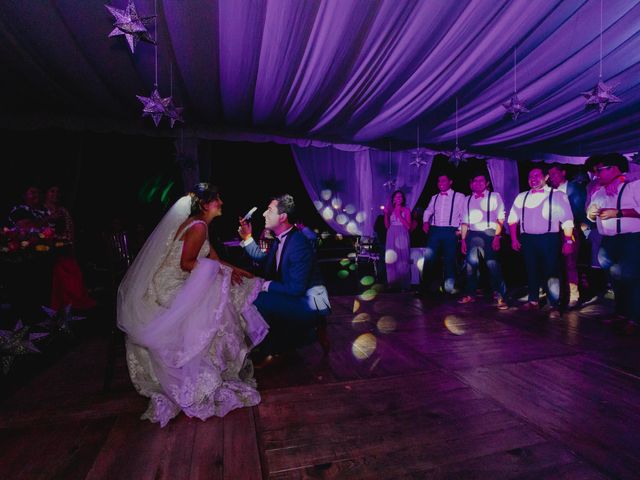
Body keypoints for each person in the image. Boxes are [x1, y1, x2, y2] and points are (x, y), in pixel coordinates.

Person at [117, 183, 269, 427]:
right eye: (217, 199)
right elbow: (186, 263)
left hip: (174, 279)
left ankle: (222, 358)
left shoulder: (200, 225)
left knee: (235, 286)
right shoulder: (198, 227)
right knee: (219, 303)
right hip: (170, 286)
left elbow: (214, 259)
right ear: (206, 204)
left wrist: (237, 271)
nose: (221, 202)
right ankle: (209, 369)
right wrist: (218, 272)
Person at [238, 194, 330, 359]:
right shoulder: (281, 238)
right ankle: (270, 345)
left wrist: (266, 285)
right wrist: (247, 238)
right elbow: (261, 257)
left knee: (258, 299)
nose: (264, 214)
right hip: (296, 294)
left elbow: (296, 289)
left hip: (309, 303)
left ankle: (270, 349)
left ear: (282, 217)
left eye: (269, 210)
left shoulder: (298, 244)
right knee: (249, 293)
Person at [508, 167, 574, 319]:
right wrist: (513, 238)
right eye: (530, 176)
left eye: (537, 175)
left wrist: (568, 240)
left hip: (549, 238)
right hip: (528, 239)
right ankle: (533, 301)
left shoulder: (557, 195)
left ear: (546, 177)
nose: (533, 178)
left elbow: (567, 219)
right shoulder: (522, 196)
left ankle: (554, 305)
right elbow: (512, 219)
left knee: (551, 272)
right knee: (531, 270)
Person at [586, 153, 640, 333]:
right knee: (615, 280)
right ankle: (621, 313)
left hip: (631, 239)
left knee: (631, 278)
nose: (596, 175)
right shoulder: (598, 190)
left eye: (600, 170)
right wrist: (591, 214)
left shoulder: (634, 185)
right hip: (608, 240)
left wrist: (617, 213)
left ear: (614, 169)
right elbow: (590, 214)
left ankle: (635, 319)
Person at [458, 172, 508, 309]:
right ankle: (470, 294)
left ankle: (501, 295)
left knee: (493, 266)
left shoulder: (495, 196)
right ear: (472, 183)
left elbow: (500, 218)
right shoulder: (467, 199)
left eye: (481, 181)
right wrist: (463, 240)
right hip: (472, 234)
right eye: (475, 180)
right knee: (470, 267)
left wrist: (497, 237)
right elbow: (464, 222)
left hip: (489, 233)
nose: (478, 183)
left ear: (487, 183)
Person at [44, 185, 96, 311]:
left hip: (63, 249)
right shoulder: (41, 210)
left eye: (57, 192)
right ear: (46, 193)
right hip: (45, 250)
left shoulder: (63, 211)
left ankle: (70, 307)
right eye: (52, 191)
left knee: (70, 278)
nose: (55, 194)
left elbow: (70, 230)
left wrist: (69, 245)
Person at [548, 164, 587, 307]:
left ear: (563, 173)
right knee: (555, 263)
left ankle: (573, 296)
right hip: (553, 231)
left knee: (570, 263)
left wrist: (577, 226)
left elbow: (580, 210)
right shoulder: (550, 191)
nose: (552, 177)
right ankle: (559, 294)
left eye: (554, 174)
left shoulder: (574, 188)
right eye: (550, 175)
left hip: (570, 229)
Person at [421, 172, 464, 295]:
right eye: (439, 181)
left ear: (450, 182)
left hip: (451, 230)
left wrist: (460, 230)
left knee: (449, 260)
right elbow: (428, 210)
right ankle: (426, 288)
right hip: (435, 230)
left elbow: (463, 214)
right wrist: (425, 222)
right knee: (429, 259)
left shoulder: (459, 196)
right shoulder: (434, 197)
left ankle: (449, 289)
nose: (440, 183)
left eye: (443, 180)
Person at [384, 190, 411, 291]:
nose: (398, 198)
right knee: (392, 257)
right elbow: (387, 226)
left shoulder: (406, 210)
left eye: (400, 197)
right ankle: (392, 284)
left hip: (402, 233)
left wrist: (399, 215)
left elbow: (408, 226)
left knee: (402, 257)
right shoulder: (390, 210)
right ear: (393, 199)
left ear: (403, 199)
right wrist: (386, 215)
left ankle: (404, 284)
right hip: (391, 233)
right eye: (396, 197)